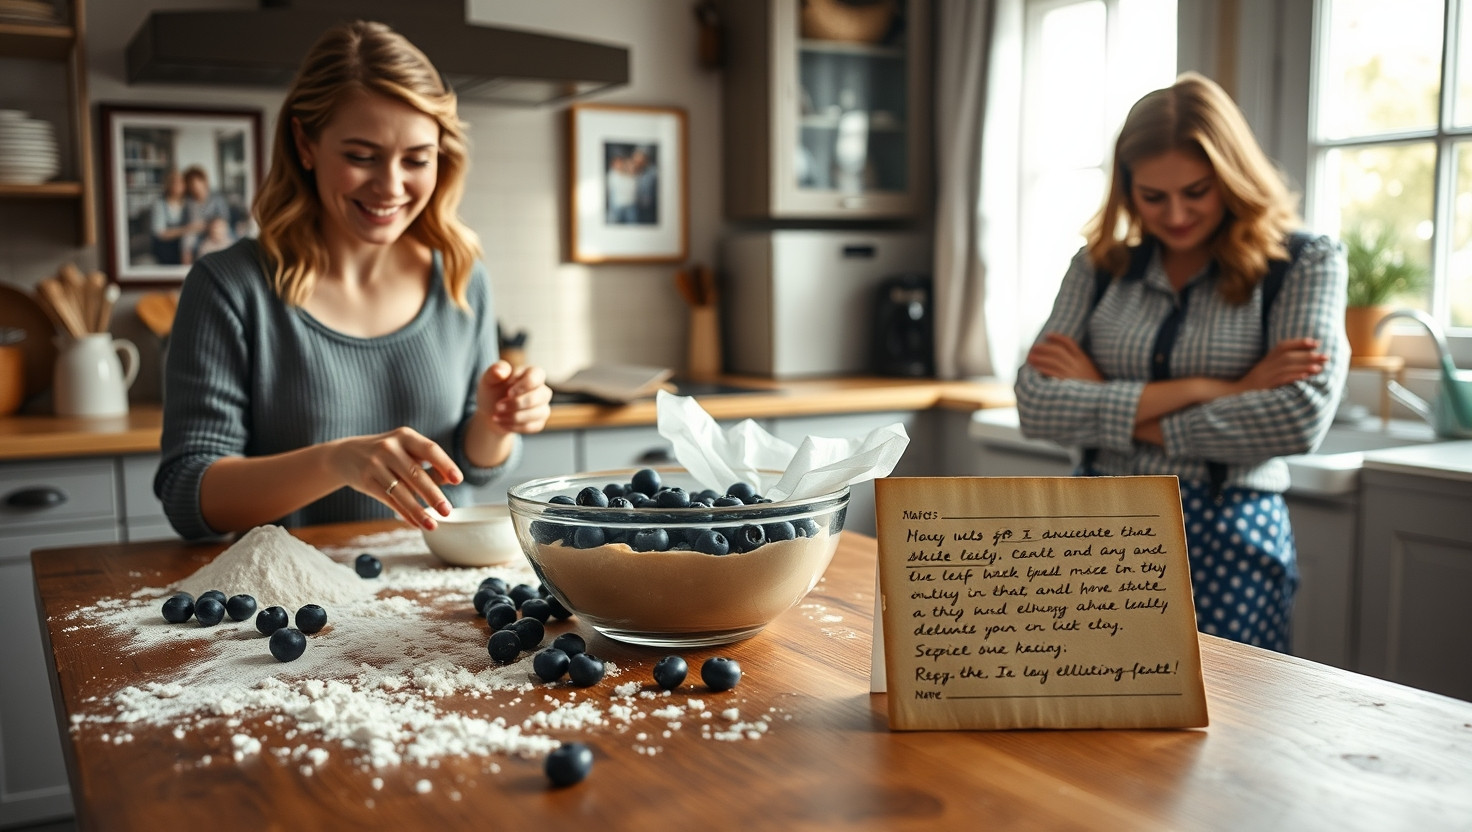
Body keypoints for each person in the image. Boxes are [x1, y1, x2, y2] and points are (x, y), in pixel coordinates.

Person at [156, 20, 553, 541]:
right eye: (361, 157)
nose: (390, 186)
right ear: (304, 143)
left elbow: (473, 466)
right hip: (290, 591)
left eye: (417, 159)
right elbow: (190, 493)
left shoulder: (461, 273)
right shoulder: (229, 287)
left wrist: (495, 423)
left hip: (432, 585)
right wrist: (335, 462)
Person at [1013, 72, 1349, 653]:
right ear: (1126, 190)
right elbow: (1036, 405)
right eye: (1153, 197)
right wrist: (1225, 388)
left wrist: (1106, 397)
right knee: (1091, 699)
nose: (1175, 215)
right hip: (1091, 530)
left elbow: (1298, 417)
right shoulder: (1097, 267)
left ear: (1232, 177)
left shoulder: (1303, 262)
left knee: (1228, 707)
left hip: (1229, 536)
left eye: (1196, 191)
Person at [181, 164, 233, 261]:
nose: (195, 187)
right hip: (197, 231)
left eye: (197, 183)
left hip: (216, 227)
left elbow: (224, 218)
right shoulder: (189, 202)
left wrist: (211, 226)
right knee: (187, 239)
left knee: (221, 232)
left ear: (204, 182)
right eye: (191, 185)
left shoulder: (217, 198)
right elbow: (188, 222)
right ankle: (187, 267)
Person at [149, 169, 192, 265]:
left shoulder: (188, 202)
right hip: (166, 247)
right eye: (174, 182)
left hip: (184, 246)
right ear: (168, 185)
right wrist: (188, 229)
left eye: (181, 182)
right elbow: (160, 233)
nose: (178, 185)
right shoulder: (160, 204)